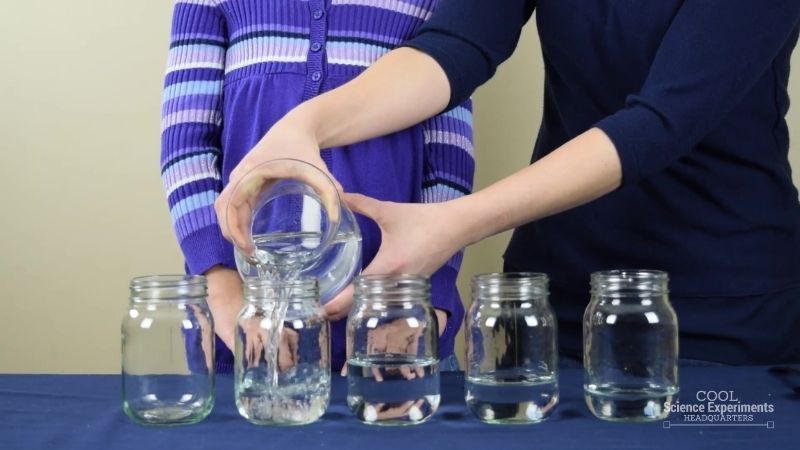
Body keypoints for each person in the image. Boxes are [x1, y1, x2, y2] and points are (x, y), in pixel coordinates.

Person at [219, 0, 800, 365]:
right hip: (553, 302)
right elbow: (457, 46)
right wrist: (305, 125)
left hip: (720, 311)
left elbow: (660, 123)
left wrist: (452, 224)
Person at [160, 0, 475, 372]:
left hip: (397, 326)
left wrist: (429, 298)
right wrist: (221, 289)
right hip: (245, 332)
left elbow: (448, 161)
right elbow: (186, 146)